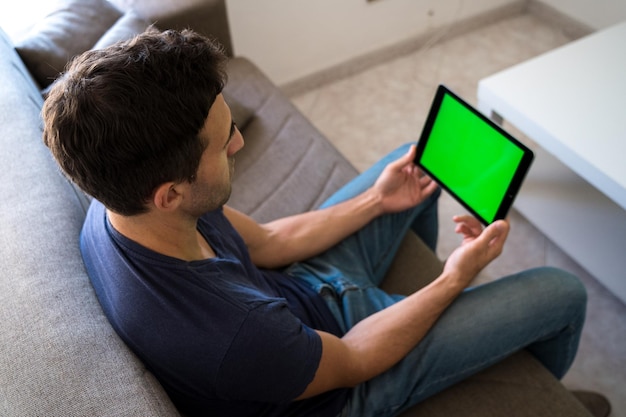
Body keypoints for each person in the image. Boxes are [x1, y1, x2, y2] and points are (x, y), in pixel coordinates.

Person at [42, 28, 593, 417]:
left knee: (414, 167)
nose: (239, 142)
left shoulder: (120, 201)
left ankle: (397, 296)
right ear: (169, 193)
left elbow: (272, 240)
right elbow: (353, 359)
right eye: (224, 142)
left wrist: (377, 203)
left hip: (303, 297)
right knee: (561, 291)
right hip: (338, 382)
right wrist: (453, 277)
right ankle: (557, 398)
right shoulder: (231, 336)